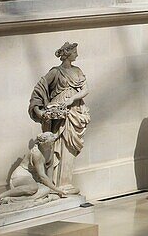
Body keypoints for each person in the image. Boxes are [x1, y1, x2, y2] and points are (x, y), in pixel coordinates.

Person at [28, 42, 90, 193]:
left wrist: (72, 99)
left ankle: (65, 183)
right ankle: (55, 185)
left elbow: (86, 89)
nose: (77, 55)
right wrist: (38, 110)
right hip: (59, 113)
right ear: (67, 54)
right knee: (57, 146)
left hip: (74, 111)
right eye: (75, 52)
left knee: (70, 147)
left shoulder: (77, 71)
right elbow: (39, 88)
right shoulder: (56, 72)